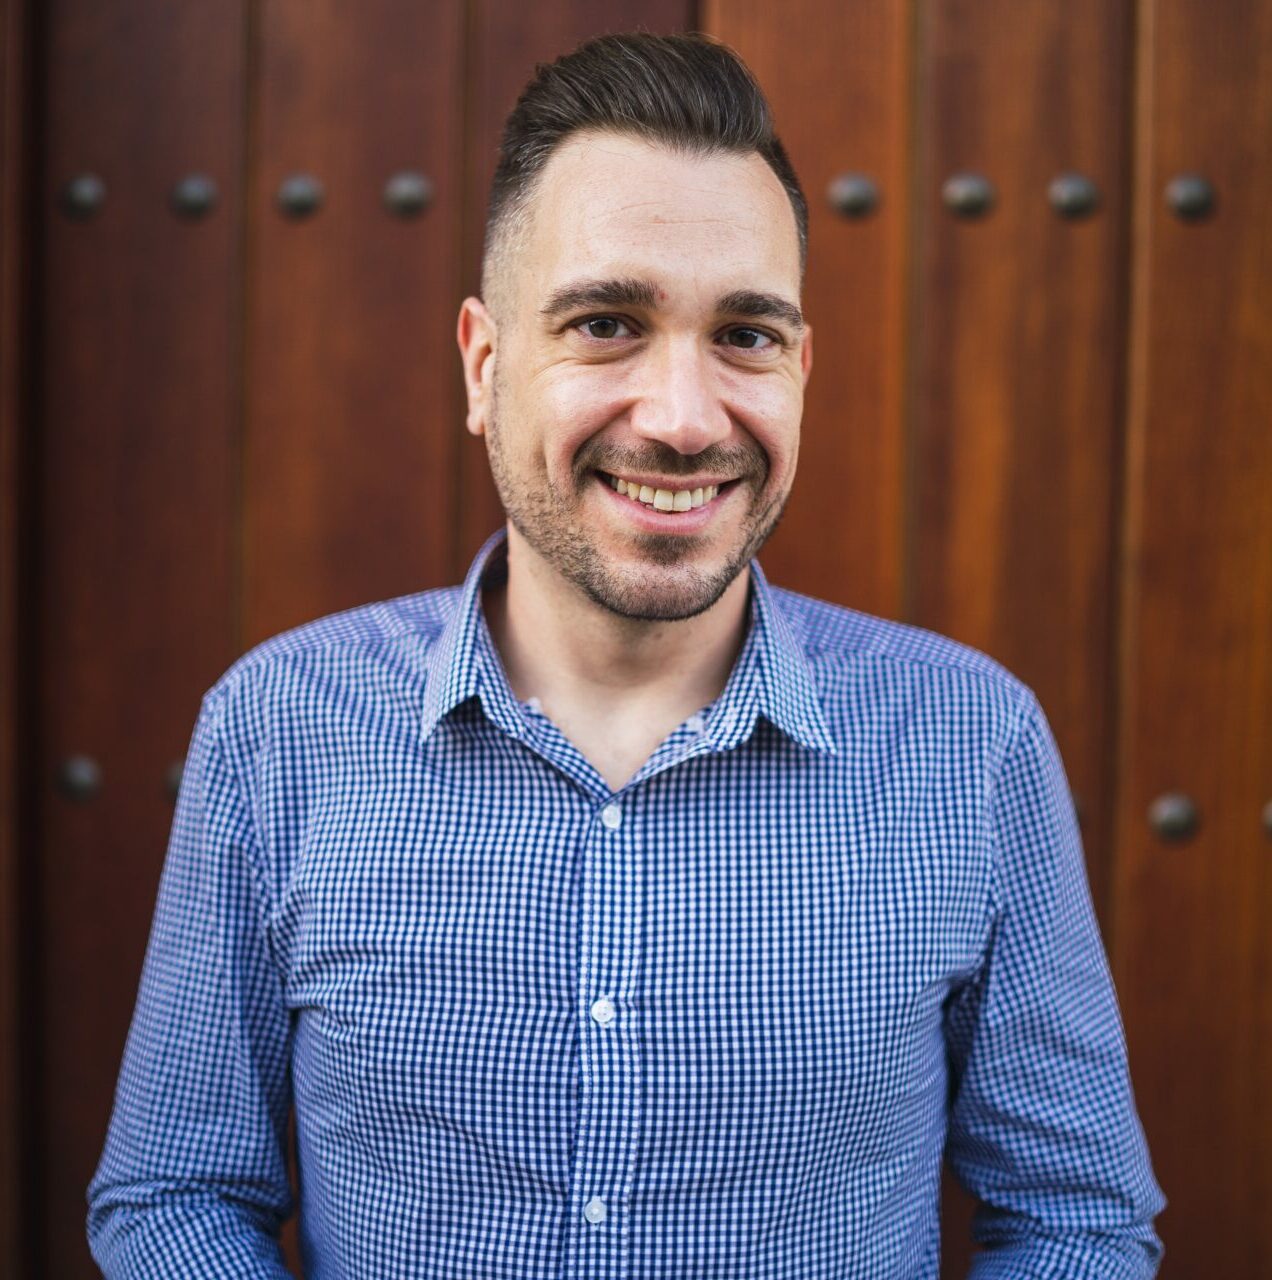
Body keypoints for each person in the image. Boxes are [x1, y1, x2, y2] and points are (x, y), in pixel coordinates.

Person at [87, 31, 1165, 1279]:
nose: (684, 416)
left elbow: (1076, 1220)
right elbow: (174, 1197)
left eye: (746, 335)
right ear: (487, 366)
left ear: (802, 370)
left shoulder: (974, 744)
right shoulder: (276, 730)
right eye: (607, 323)